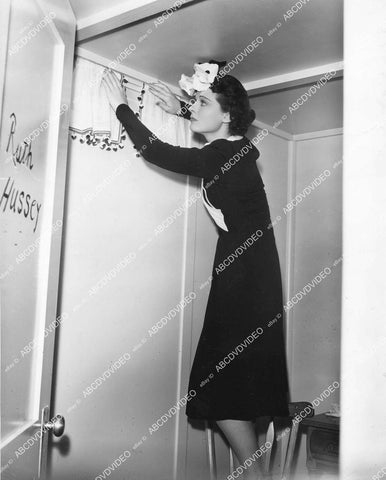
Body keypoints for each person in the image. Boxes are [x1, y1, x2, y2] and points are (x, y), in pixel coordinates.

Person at [102, 62, 290, 480]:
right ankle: (257, 473)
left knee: (217, 383)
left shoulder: (226, 153)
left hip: (245, 277)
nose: (193, 106)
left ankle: (255, 474)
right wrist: (184, 109)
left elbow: (158, 153)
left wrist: (120, 107)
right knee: (227, 385)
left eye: (201, 101)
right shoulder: (233, 149)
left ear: (224, 115)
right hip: (247, 273)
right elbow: (210, 140)